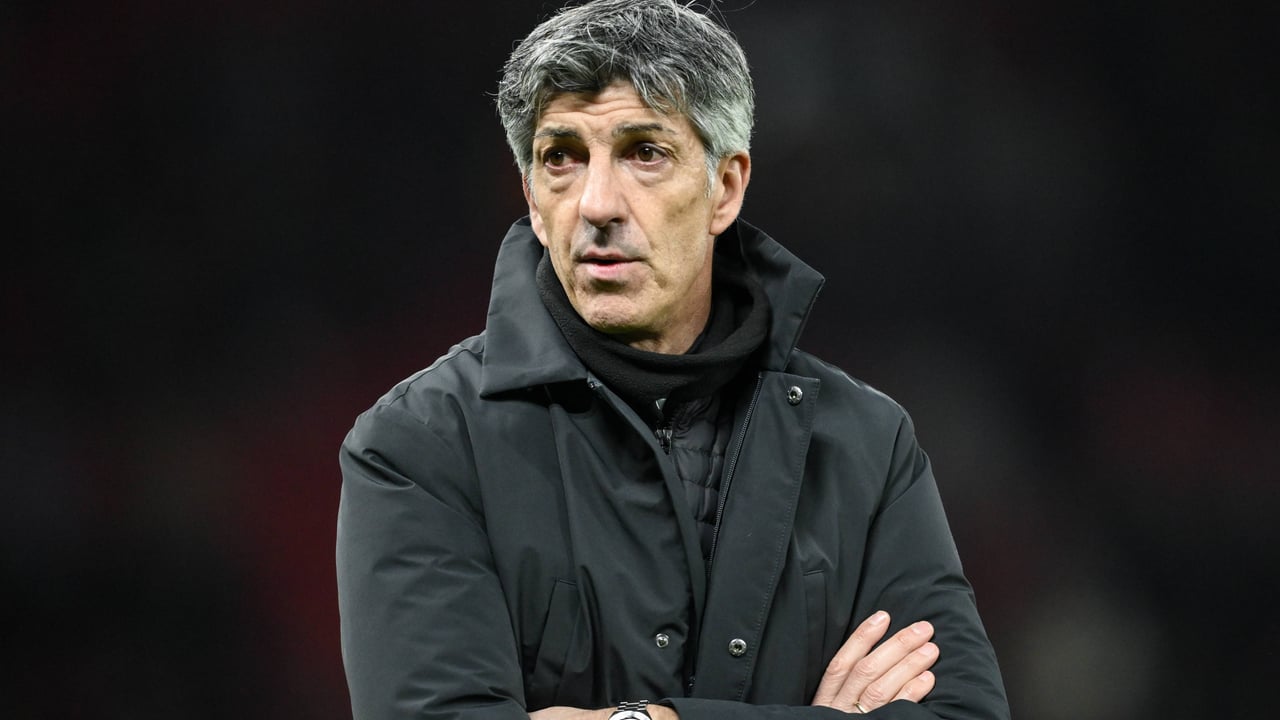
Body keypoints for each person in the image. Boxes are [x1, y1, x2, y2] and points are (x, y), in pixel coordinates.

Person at [336, 1, 1009, 718]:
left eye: (645, 153)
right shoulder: (419, 448)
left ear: (726, 188)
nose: (597, 203)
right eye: (561, 157)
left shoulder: (866, 446)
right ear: (532, 197)